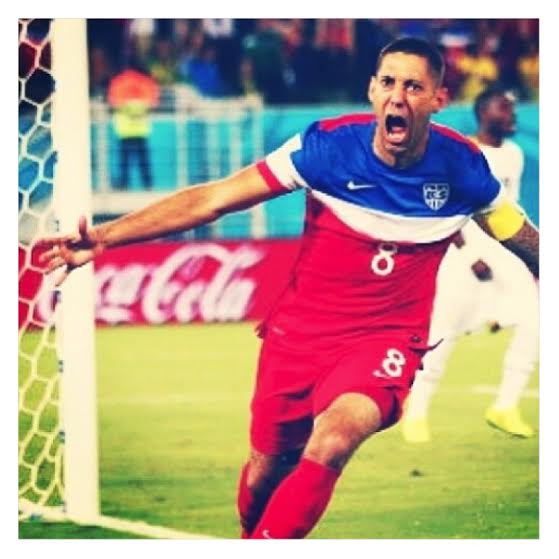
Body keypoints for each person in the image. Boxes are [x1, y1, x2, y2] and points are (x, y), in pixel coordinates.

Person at [37, 38, 539, 539]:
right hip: (298, 337)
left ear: (437, 99)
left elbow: (512, 228)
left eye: (413, 86)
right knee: (264, 475)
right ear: (371, 89)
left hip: (384, 340)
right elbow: (215, 199)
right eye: (388, 82)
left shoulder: (463, 168)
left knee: (334, 439)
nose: (398, 97)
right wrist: (104, 237)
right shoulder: (325, 148)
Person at [401, 86, 539, 442]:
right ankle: (416, 413)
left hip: (502, 251)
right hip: (462, 253)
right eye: (504, 108)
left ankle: (505, 406)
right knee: (442, 334)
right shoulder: (462, 152)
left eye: (512, 108)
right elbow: (444, 209)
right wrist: (468, 254)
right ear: (483, 112)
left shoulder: (514, 154)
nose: (512, 114)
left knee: (538, 317)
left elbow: (510, 209)